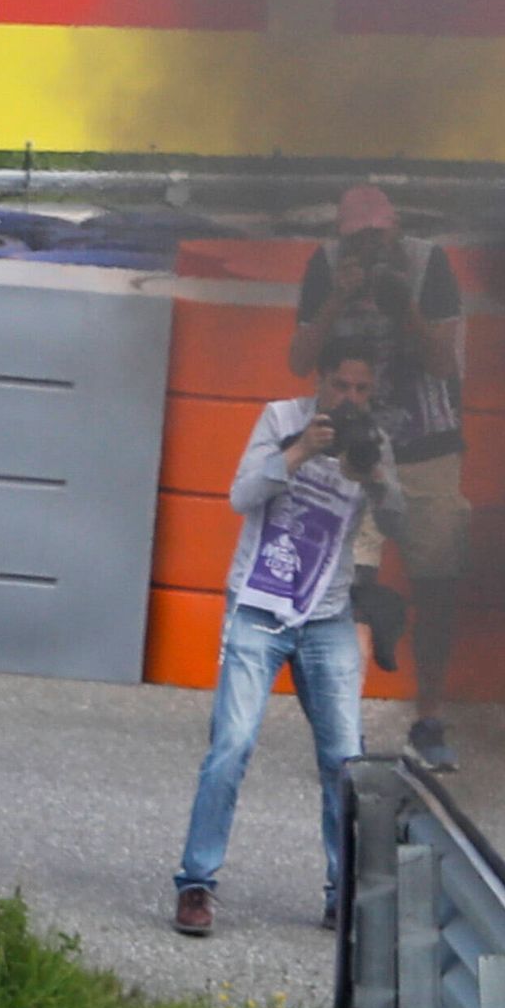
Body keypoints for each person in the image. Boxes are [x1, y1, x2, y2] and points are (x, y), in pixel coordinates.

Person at [171, 348, 396, 937]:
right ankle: (196, 883)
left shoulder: (373, 441)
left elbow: (400, 526)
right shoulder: (279, 419)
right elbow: (240, 497)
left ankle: (341, 894)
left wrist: (375, 477)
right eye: (341, 386)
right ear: (321, 382)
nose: (350, 399)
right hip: (260, 606)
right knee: (233, 742)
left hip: (327, 617)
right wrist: (299, 451)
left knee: (345, 760)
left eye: (361, 390)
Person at [302, 186, 471, 771]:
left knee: (438, 583)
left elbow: (444, 362)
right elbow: (300, 359)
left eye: (380, 235)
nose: (371, 247)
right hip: (357, 445)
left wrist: (405, 308)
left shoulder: (429, 264)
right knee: (348, 585)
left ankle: (428, 719)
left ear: (396, 230)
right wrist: (335, 301)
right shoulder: (325, 266)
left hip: (428, 445)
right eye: (359, 237)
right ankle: (345, 720)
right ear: (344, 236)